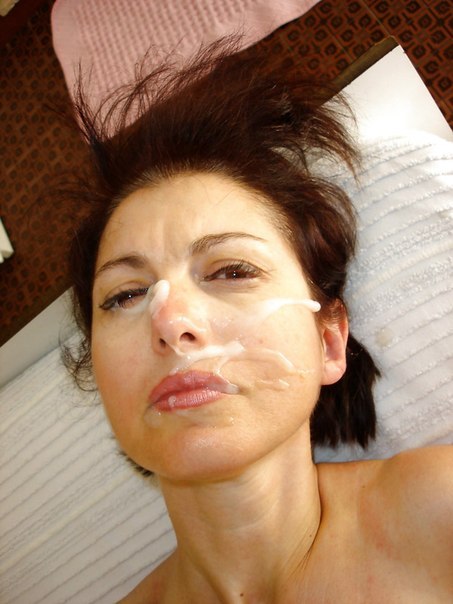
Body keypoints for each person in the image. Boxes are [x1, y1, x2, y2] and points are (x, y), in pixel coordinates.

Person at [64, 40, 453, 603]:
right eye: (125, 295)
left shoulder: (439, 514)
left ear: (329, 341)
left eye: (231, 270)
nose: (171, 320)